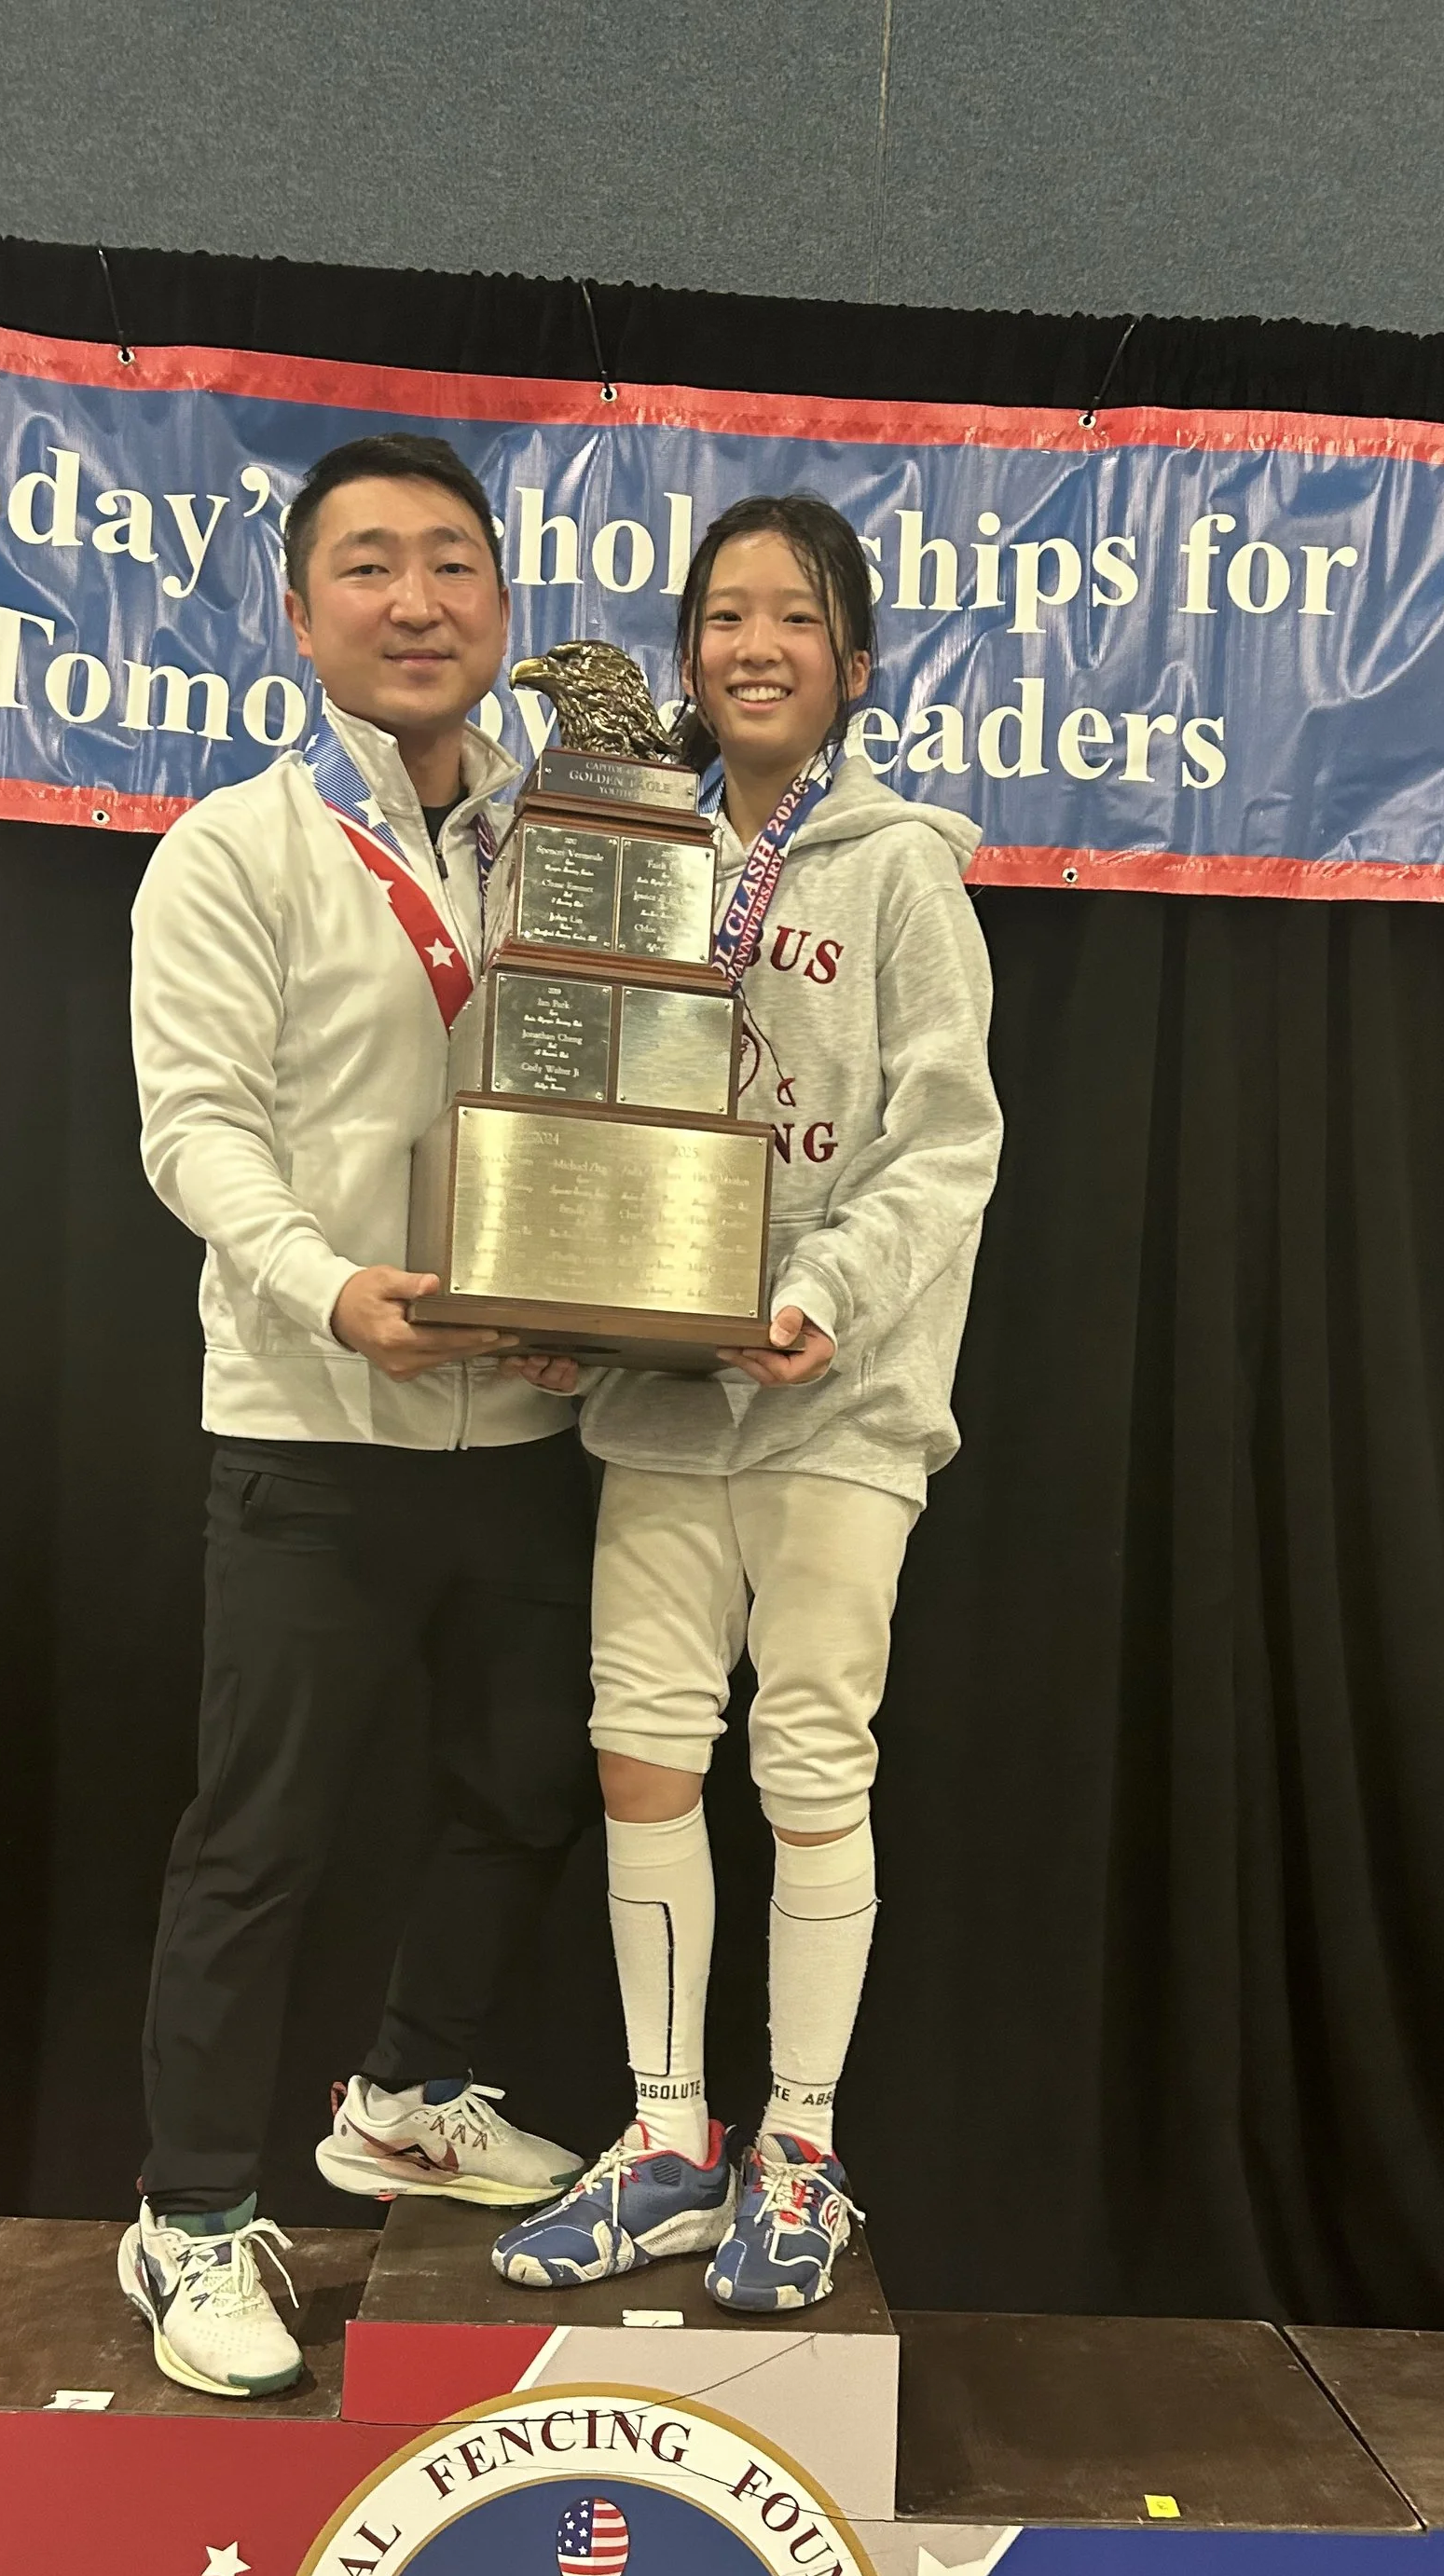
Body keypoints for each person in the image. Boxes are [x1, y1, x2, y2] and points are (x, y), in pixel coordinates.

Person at [120, 433, 593, 2398]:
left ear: (499, 604)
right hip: (315, 1428)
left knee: (520, 1787)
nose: (417, 602)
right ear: (301, 614)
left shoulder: (575, 842)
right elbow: (194, 1129)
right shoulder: (234, 848)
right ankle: (192, 2214)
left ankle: (405, 2093)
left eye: (453, 566)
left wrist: (607, 1296)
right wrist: (334, 1291)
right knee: (263, 1836)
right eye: (371, 568)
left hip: (532, 1432)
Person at [493, 493, 1000, 2309]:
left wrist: (821, 1291)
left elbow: (947, 1143)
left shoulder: (893, 872)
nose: (751, 642)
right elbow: (572, 1083)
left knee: (804, 1761)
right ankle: (659, 2139)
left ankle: (796, 2141)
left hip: (833, 1403)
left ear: (851, 665)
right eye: (721, 614)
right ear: (689, 651)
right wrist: (553, 1284)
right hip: (654, 1401)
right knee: (638, 1741)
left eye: (792, 615)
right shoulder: (629, 843)